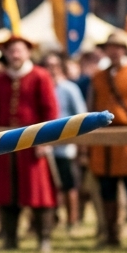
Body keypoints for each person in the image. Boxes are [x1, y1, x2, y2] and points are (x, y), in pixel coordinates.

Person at [0, 35, 59, 252]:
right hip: (5, 146)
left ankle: (44, 238)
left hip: (33, 146)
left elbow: (50, 111)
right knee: (7, 193)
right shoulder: (1, 79)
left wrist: (46, 141)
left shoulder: (40, 76)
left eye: (19, 50)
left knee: (39, 193)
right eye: (11, 51)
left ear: (27, 53)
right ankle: (10, 239)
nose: (15, 54)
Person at [87, 33, 127, 248]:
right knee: (107, 189)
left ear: (124, 49)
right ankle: (111, 234)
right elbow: (91, 106)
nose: (113, 51)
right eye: (110, 47)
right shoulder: (98, 76)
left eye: (118, 47)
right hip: (104, 139)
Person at [43, 52, 88, 235]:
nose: (50, 69)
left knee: (69, 185)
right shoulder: (43, 86)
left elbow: (80, 115)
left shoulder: (69, 89)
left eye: (54, 65)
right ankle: (51, 220)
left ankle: (72, 221)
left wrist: (77, 144)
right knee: (49, 186)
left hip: (65, 147)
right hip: (44, 147)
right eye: (47, 65)